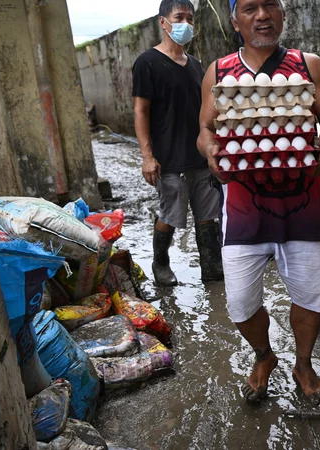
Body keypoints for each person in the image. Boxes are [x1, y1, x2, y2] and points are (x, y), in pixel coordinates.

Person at [197, 0, 320, 405]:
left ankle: (303, 363)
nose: (262, 15)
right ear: (235, 21)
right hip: (244, 208)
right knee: (241, 305)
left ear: (282, 13)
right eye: (249, 8)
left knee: (312, 297)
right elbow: (205, 129)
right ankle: (264, 356)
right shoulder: (220, 72)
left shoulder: (308, 65)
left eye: (270, 5)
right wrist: (211, 151)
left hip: (302, 205)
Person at [132, 0, 224, 286]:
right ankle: (160, 263)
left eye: (190, 18)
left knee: (208, 217)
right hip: (169, 159)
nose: (185, 23)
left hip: (200, 157)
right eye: (178, 17)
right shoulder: (147, 63)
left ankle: (212, 271)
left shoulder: (197, 66)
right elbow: (140, 110)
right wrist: (147, 156)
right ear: (163, 22)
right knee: (171, 215)